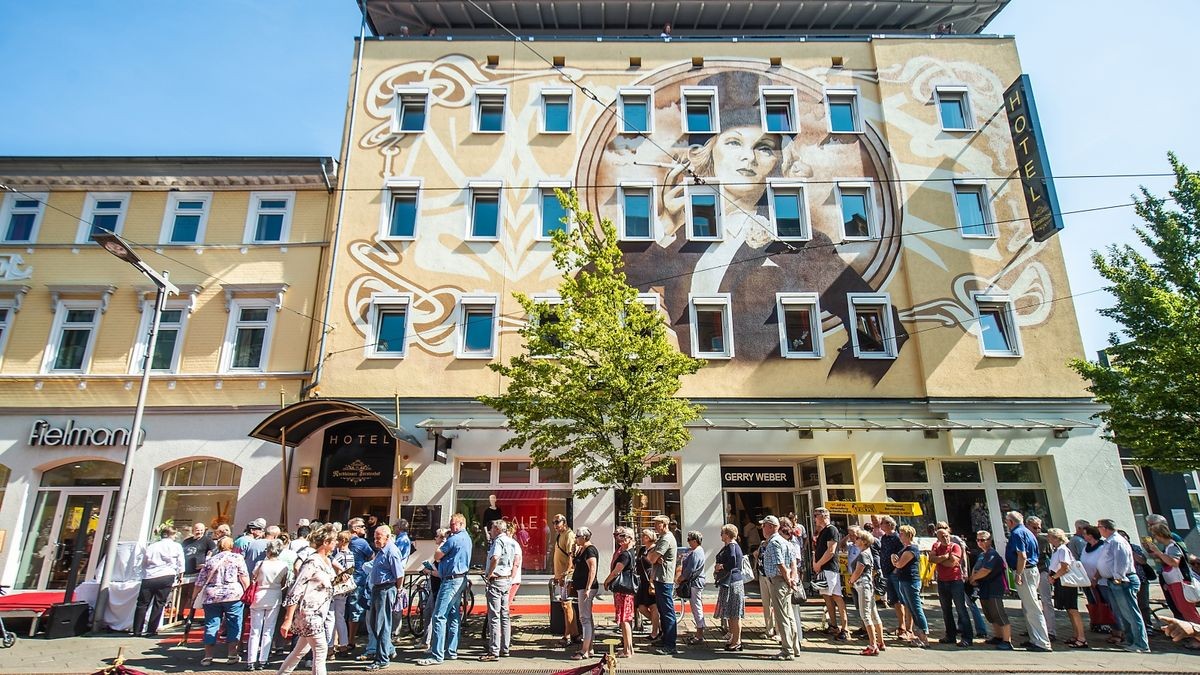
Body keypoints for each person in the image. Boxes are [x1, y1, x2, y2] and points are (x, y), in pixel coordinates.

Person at [277, 525, 338, 675]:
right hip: (309, 613)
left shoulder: (327, 561)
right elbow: (296, 590)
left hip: (319, 612)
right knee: (321, 649)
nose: (336, 543)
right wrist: (287, 619)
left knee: (300, 650)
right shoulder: (312, 562)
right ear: (326, 542)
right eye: (334, 540)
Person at [417, 513, 472, 666]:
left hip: (450, 580)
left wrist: (444, 544)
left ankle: (437, 655)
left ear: (461, 524)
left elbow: (437, 554)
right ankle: (451, 651)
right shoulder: (467, 538)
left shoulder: (454, 539)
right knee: (453, 616)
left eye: (453, 524)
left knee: (439, 616)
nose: (451, 526)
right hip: (460, 578)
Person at [1096, 518, 1150, 653]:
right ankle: (1131, 640)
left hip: (1122, 581)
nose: (1098, 529)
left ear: (1105, 528)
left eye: (1099, 526)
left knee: (1131, 613)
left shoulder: (1117, 541)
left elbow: (1122, 562)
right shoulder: (1109, 542)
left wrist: (1118, 579)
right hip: (1114, 581)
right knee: (1123, 613)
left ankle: (1141, 644)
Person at [196, 536, 250, 666]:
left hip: (212, 595)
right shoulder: (237, 558)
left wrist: (194, 596)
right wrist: (247, 591)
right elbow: (243, 576)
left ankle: (208, 656)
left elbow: (200, 580)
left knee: (211, 623)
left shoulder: (211, 560)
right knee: (234, 623)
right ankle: (232, 654)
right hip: (233, 594)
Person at [1003, 511, 1051, 652]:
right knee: (1028, 607)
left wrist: (1018, 573)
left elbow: (1022, 556)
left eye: (1007, 521)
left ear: (1011, 522)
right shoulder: (1028, 532)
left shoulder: (1018, 533)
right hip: (1031, 570)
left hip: (1026, 571)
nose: (1006, 524)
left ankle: (1042, 642)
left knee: (1032, 608)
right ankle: (1034, 639)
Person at [363, 524, 404, 670]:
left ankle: (382, 659)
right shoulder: (382, 550)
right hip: (377, 589)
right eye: (375, 537)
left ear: (387, 537)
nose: (376, 540)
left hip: (386, 590)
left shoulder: (391, 552)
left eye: (378, 538)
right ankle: (389, 649)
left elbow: (399, 575)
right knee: (375, 623)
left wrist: (398, 591)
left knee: (382, 624)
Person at [133, 524, 184, 637]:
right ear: (172, 535)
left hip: (150, 575)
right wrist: (180, 575)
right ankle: (151, 630)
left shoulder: (153, 546)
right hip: (166, 575)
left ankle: (137, 630)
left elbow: (145, 561)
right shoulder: (176, 546)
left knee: (142, 603)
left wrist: (146, 570)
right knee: (159, 603)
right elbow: (181, 562)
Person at [247, 539, 291, 671]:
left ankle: (250, 660)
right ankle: (263, 659)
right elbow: (284, 582)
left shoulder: (260, 564)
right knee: (269, 629)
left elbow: (253, 577)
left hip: (259, 595)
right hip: (274, 595)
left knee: (254, 630)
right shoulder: (283, 565)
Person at [760, 515, 798, 661]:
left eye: (764, 525)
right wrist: (793, 579)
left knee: (782, 617)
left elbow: (780, 563)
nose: (762, 529)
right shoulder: (785, 541)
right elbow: (793, 563)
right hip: (786, 581)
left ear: (770, 526)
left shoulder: (774, 542)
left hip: (778, 581)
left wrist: (788, 579)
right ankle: (795, 647)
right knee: (789, 616)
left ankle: (787, 650)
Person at [1147, 521, 1200, 623]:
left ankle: (1197, 631)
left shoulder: (1173, 546)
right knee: (1182, 610)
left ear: (1160, 534)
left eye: (1155, 535)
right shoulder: (1168, 547)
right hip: (1173, 583)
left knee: (1188, 611)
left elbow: (1174, 562)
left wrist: (1158, 552)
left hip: (1180, 583)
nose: (1155, 538)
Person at [481, 520, 517, 661]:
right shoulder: (511, 541)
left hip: (497, 580)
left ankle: (494, 651)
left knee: (494, 616)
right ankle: (505, 648)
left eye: (491, 528)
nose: (490, 530)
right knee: (505, 615)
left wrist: (490, 573)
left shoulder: (498, 541)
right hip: (506, 579)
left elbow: (495, 557)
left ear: (496, 529)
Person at [1045, 527, 1087, 648]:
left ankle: (1081, 637)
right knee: (1069, 609)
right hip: (1060, 581)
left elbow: (1065, 567)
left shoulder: (1062, 549)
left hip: (1065, 582)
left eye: (1049, 536)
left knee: (1073, 609)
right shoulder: (1057, 550)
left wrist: (1054, 577)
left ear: (1055, 538)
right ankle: (1076, 635)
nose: (1048, 538)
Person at [969, 531, 1012, 650]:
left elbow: (986, 570)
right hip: (984, 588)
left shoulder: (992, 554)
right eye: (978, 540)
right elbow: (977, 568)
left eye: (983, 540)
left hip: (994, 587)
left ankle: (1007, 640)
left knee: (998, 613)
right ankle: (998, 636)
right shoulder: (982, 555)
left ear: (989, 540)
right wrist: (973, 578)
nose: (980, 542)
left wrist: (973, 578)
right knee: (990, 614)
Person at [930, 526, 972, 647]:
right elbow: (931, 559)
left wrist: (940, 560)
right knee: (946, 610)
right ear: (938, 538)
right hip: (942, 581)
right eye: (942, 537)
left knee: (961, 609)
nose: (945, 538)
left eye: (947, 536)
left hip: (955, 581)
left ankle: (967, 637)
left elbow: (952, 562)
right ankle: (950, 635)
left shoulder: (955, 546)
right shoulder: (936, 546)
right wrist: (944, 557)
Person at [890, 525, 930, 648]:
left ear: (909, 535)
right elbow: (897, 564)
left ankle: (924, 636)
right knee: (910, 607)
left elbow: (899, 564)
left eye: (902, 534)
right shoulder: (905, 548)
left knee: (916, 608)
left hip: (910, 581)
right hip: (903, 580)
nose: (900, 536)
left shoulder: (911, 549)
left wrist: (895, 560)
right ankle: (918, 634)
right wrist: (895, 561)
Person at [645, 515, 678, 655]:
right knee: (663, 610)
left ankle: (670, 644)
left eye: (657, 524)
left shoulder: (666, 539)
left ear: (664, 525)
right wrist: (654, 557)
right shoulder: (661, 538)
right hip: (660, 578)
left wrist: (654, 557)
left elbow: (651, 558)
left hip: (664, 579)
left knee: (667, 611)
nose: (654, 526)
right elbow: (649, 556)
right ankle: (665, 638)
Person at [813, 507, 848, 640]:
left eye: (816, 515)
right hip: (823, 569)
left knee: (836, 596)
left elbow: (831, 550)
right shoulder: (823, 531)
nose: (815, 518)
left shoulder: (831, 530)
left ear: (823, 516)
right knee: (827, 596)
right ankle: (833, 625)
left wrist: (819, 563)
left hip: (829, 568)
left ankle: (845, 627)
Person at [849, 530, 884, 655]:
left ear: (863, 541)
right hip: (868, 585)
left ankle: (873, 645)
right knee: (874, 613)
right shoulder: (867, 553)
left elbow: (858, 571)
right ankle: (880, 641)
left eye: (857, 538)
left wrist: (851, 580)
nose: (855, 539)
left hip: (863, 585)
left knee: (865, 615)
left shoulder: (863, 554)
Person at [344, 517, 374, 661]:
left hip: (344, 580)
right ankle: (350, 640)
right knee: (355, 610)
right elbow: (371, 556)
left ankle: (340, 640)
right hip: (357, 579)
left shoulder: (343, 540)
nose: (364, 528)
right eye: (362, 526)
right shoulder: (361, 542)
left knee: (341, 611)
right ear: (354, 528)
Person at [713, 523, 745, 652]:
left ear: (727, 534)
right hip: (731, 582)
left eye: (722, 533)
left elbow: (732, 561)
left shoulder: (732, 546)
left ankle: (737, 641)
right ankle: (733, 639)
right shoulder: (730, 546)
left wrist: (722, 567)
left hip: (733, 582)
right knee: (732, 613)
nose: (721, 535)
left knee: (734, 613)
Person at [877, 516, 910, 640]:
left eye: (883, 523)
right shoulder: (884, 538)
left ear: (891, 525)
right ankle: (900, 624)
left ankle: (907, 627)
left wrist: (897, 569)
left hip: (895, 572)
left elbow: (902, 553)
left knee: (903, 600)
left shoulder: (897, 538)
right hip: (886, 572)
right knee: (894, 600)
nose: (881, 525)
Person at [569, 527, 600, 660]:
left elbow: (592, 569)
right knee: (588, 618)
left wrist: (587, 588)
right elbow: (576, 567)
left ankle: (584, 650)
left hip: (586, 588)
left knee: (584, 619)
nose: (576, 538)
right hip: (581, 586)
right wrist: (573, 554)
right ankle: (590, 647)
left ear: (585, 537)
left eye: (578, 536)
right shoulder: (581, 549)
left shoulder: (590, 550)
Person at [1025, 516, 1057, 641]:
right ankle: (1033, 628)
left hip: (1042, 571)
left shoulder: (1043, 540)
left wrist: (1052, 574)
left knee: (1046, 601)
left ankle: (1051, 630)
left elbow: (1051, 557)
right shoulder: (1023, 538)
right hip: (1028, 572)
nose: (1037, 530)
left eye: (1039, 528)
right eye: (1034, 527)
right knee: (1030, 602)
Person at [550, 514, 579, 647]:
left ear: (564, 522)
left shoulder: (568, 535)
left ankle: (567, 636)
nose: (555, 525)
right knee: (566, 605)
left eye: (557, 522)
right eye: (553, 522)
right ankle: (575, 634)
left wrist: (565, 574)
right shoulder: (561, 535)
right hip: (561, 576)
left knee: (566, 605)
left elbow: (571, 556)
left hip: (567, 577)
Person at [678, 531, 707, 644]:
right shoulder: (698, 551)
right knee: (697, 606)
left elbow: (690, 569)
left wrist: (681, 578)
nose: (688, 542)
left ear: (695, 541)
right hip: (698, 582)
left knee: (696, 607)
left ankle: (699, 634)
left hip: (695, 583)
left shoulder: (696, 552)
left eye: (689, 540)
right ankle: (699, 633)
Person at [330, 531, 355, 657]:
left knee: (332, 618)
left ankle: (331, 646)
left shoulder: (339, 555)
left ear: (342, 541)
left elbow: (333, 566)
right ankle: (343, 643)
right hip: (345, 589)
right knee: (340, 616)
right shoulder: (351, 555)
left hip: (336, 588)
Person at [635, 528, 660, 639]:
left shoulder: (655, 549)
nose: (642, 537)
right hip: (642, 581)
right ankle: (660, 626)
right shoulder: (642, 550)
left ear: (650, 538)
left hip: (651, 580)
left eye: (645, 536)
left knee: (654, 607)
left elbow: (656, 564)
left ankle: (654, 632)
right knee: (641, 607)